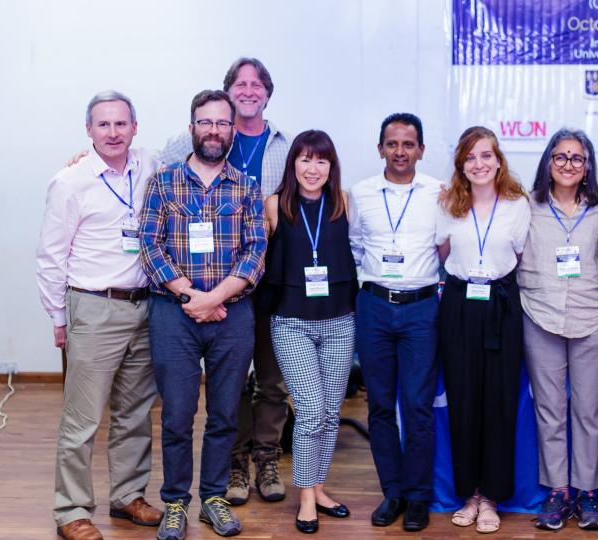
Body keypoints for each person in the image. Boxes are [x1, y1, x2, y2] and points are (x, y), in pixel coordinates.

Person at [160, 57, 292, 505]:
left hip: (259, 287)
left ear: (267, 94)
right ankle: (213, 478)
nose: (249, 90)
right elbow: (145, 180)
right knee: (207, 400)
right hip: (189, 297)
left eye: (258, 84)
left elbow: (264, 241)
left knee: (266, 382)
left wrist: (216, 296)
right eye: (241, 83)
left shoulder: (280, 150)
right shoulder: (178, 159)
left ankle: (258, 462)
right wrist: (193, 295)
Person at [139, 89, 267, 539]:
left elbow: (255, 254)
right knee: (176, 415)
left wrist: (214, 300)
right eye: (205, 122)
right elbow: (149, 245)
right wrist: (191, 295)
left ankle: (212, 497)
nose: (214, 131)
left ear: (233, 130)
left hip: (232, 317)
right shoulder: (163, 182)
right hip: (174, 314)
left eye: (222, 123)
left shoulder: (247, 187)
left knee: (225, 414)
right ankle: (175, 502)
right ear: (192, 127)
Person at [36, 91, 162, 540]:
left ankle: (128, 496)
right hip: (93, 307)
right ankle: (71, 509)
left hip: (145, 305)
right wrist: (58, 316)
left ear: (134, 128)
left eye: (121, 124)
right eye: (103, 125)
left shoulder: (149, 166)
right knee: (83, 417)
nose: (113, 133)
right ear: (88, 130)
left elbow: (197, 139)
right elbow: (51, 255)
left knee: (135, 412)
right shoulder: (70, 181)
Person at [259, 130, 357, 534]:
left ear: (331, 167)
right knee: (312, 411)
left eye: (321, 161)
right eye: (304, 159)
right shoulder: (274, 205)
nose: (312, 168)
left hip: (339, 320)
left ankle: (319, 486)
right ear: (292, 164)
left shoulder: (344, 203)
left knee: (331, 413)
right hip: (291, 322)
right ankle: (304, 497)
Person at [348, 113, 442, 532]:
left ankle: (419, 496)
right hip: (374, 306)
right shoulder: (362, 193)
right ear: (380, 148)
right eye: (392, 144)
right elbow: (354, 246)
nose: (400, 151)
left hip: (422, 308)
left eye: (408, 144)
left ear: (420, 149)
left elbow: (445, 248)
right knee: (381, 405)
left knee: (418, 405)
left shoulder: (440, 192)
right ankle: (394, 492)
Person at [436, 126, 530, 534]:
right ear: (461, 164)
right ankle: (470, 493)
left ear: (498, 160)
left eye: (486, 155)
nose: (479, 164)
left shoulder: (517, 203)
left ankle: (492, 496)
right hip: (458, 305)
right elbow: (442, 253)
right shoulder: (448, 203)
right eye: (471, 157)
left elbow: (522, 256)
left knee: (499, 402)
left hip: (502, 306)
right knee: (464, 401)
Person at [517, 128, 598, 531]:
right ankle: (557, 492)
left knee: (589, 411)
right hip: (540, 314)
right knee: (549, 410)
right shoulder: (526, 206)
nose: (568, 165)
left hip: (592, 316)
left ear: (588, 165)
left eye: (577, 158)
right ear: (548, 162)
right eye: (561, 157)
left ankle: (588, 493)